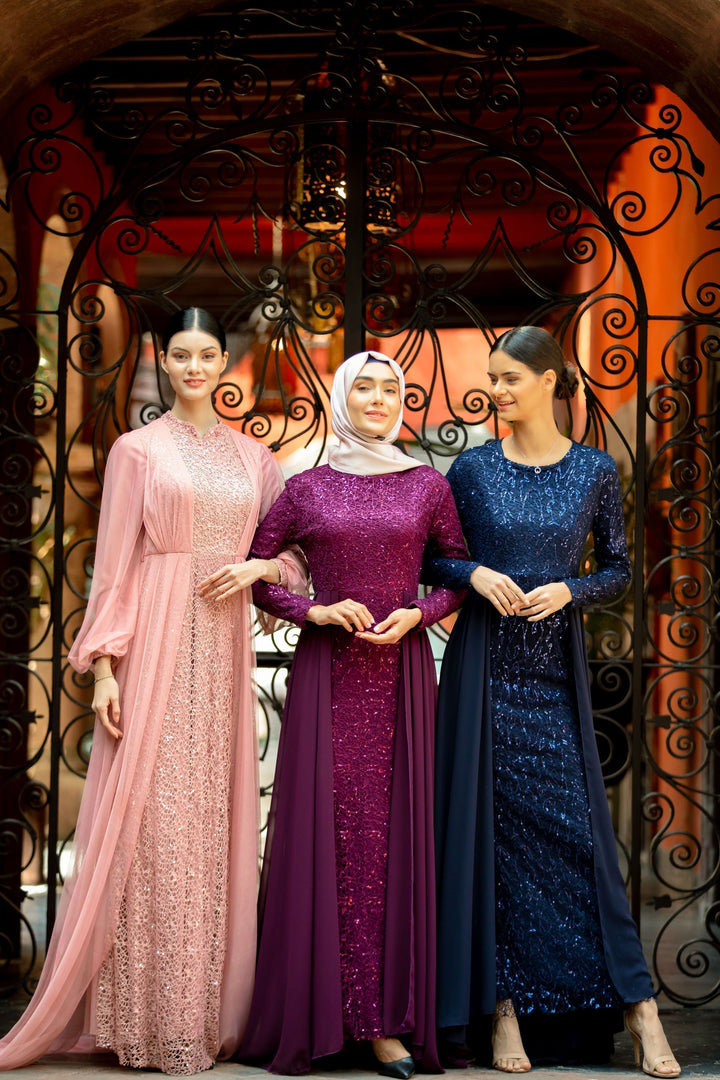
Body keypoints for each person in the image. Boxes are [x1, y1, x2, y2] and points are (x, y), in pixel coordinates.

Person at [0, 307, 306, 1075]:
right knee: (153, 822)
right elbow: (116, 565)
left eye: (207, 354)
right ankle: (142, 1014)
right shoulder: (136, 452)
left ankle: (205, 1015)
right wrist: (105, 666)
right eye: (181, 354)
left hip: (225, 649)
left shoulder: (255, 460)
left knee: (211, 821)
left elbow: (293, 561)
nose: (195, 366)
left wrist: (261, 569)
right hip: (156, 648)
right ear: (163, 363)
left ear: (224, 362)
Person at [430, 326, 681, 1077]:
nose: (496, 391)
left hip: (552, 677)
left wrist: (570, 588)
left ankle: (640, 1008)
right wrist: (474, 573)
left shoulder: (594, 472)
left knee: (582, 844)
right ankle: (502, 1010)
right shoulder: (470, 469)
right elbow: (433, 553)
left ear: (550, 381)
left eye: (510, 378)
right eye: (494, 378)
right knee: (493, 844)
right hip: (483, 673)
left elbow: (620, 569)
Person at [238, 350, 467, 1077]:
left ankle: (385, 1021)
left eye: (389, 387)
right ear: (341, 395)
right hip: (329, 675)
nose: (376, 397)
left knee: (390, 842)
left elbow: (454, 571)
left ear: (403, 400)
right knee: (331, 836)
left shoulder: (427, 485)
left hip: (398, 675)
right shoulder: (306, 488)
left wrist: (419, 614)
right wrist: (317, 608)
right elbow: (259, 572)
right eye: (362, 385)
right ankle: (322, 1011)